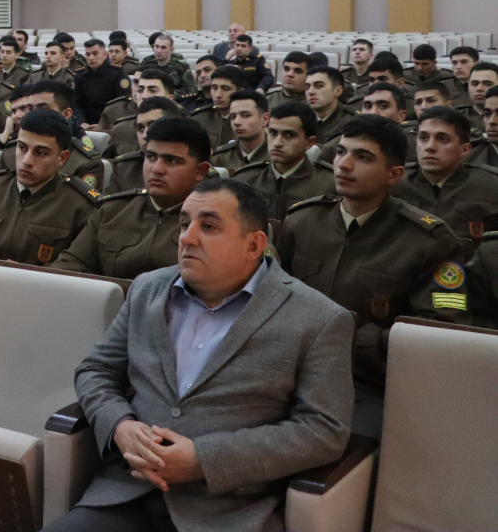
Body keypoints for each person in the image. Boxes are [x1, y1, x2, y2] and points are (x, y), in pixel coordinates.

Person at [44, 178, 353, 532]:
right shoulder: (148, 289)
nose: (187, 238)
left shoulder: (317, 318)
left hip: (226, 510)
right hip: (126, 493)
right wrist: (120, 425)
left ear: (254, 245)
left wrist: (204, 460)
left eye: (208, 227)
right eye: (184, 224)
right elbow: (96, 370)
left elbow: (324, 431)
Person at [277, 115, 468, 436]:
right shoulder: (303, 221)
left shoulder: (429, 240)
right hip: (288, 372)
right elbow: (270, 294)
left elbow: (442, 331)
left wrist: (359, 339)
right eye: (341, 152)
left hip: (369, 385)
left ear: (394, 174)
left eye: (363, 157)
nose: (344, 164)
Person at [54, 116, 212, 279]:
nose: (156, 169)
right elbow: (71, 264)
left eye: (172, 161)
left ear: (200, 171)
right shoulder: (113, 210)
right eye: (151, 157)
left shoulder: (212, 222)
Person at [0, 108, 100, 282]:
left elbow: (76, 264)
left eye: (41, 153)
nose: (26, 161)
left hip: (41, 294)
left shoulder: (81, 205)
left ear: (62, 158)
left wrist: (21, 275)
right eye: (22, 148)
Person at [391, 104, 498, 244]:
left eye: (442, 139)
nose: (430, 147)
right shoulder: (393, 183)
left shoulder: (490, 186)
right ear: (416, 144)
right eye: (424, 138)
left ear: (465, 149)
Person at [231, 101, 336, 220]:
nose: (277, 143)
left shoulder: (329, 184)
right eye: (272, 133)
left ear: (309, 142)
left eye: (289, 135)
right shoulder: (245, 180)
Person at [108, 97, 183, 193]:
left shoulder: (189, 165)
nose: (145, 135)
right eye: (140, 128)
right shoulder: (124, 167)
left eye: (153, 126)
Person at [73, 38, 130, 128]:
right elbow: (76, 104)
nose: (91, 58)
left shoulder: (117, 73)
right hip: (86, 124)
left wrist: (103, 125)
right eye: (88, 54)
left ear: (105, 55)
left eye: (95, 53)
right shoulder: (80, 75)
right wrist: (82, 122)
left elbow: (123, 103)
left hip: (111, 123)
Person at [213, 90, 270, 172]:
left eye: (245, 115)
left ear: (265, 119)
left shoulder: (277, 155)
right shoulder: (220, 157)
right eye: (233, 117)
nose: (236, 122)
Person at [304, 65, 353, 148]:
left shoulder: (351, 121)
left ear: (338, 91)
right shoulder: (297, 117)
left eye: (319, 86)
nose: (310, 92)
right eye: (308, 87)